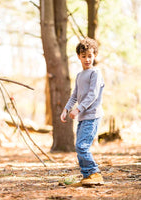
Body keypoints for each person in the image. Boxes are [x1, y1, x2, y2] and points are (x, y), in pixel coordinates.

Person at [60, 37, 105, 186]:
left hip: (92, 116)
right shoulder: (80, 75)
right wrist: (66, 109)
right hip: (83, 117)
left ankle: (94, 173)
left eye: (90, 56)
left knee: (82, 146)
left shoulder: (95, 73)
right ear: (79, 56)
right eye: (84, 56)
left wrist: (78, 109)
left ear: (95, 56)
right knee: (79, 145)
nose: (87, 59)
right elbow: (74, 95)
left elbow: (93, 94)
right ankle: (87, 177)